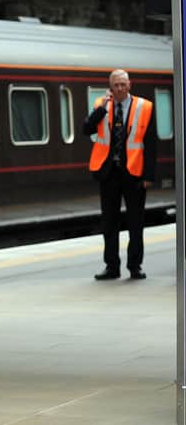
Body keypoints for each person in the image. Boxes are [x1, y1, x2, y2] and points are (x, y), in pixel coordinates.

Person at [83, 68, 155, 280]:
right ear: (110, 87)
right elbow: (86, 130)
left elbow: (150, 144)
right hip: (108, 173)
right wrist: (102, 109)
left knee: (135, 222)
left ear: (129, 85)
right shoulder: (101, 105)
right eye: (116, 85)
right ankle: (111, 267)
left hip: (134, 173)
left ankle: (135, 266)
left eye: (123, 84)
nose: (120, 88)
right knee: (109, 223)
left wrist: (149, 176)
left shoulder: (145, 106)